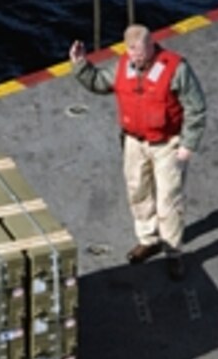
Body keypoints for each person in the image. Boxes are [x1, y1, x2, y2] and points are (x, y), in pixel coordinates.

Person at [69, 24, 207, 280]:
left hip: (167, 143)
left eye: (141, 54)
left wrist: (188, 144)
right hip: (134, 142)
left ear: (152, 45)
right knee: (138, 192)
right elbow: (100, 82)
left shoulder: (176, 69)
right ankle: (148, 239)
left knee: (169, 200)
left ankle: (174, 253)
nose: (136, 60)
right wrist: (81, 66)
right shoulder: (123, 66)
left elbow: (196, 107)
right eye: (132, 54)